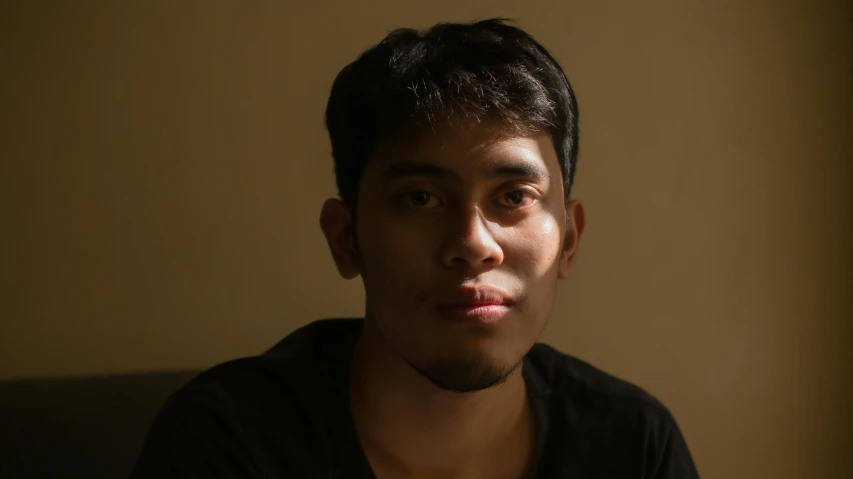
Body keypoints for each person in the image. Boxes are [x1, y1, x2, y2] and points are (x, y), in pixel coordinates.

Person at [131, 18, 700, 479]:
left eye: (514, 196)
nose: (474, 246)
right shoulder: (228, 445)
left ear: (569, 240)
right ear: (346, 238)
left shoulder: (631, 447)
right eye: (421, 198)